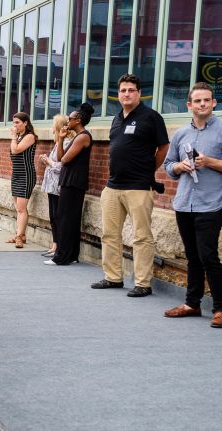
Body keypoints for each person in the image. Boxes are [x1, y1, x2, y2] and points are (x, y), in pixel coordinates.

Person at [91, 74, 170, 297]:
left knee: (141, 237)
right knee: (109, 234)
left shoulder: (151, 117)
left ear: (139, 93)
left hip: (139, 187)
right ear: (118, 94)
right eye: (123, 90)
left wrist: (148, 170)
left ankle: (143, 283)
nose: (126, 94)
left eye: (131, 90)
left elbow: (164, 147)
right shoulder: (116, 119)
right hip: (112, 187)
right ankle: (113, 277)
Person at [161, 82, 222, 328]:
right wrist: (179, 166)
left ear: (214, 103)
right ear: (189, 105)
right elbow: (168, 165)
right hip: (185, 203)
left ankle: (220, 308)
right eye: (197, 101)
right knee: (192, 256)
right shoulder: (180, 134)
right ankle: (192, 304)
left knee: (208, 255)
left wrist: (210, 162)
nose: (202, 104)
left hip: (211, 203)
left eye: (207, 100)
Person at [45, 103, 94, 266]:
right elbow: (60, 158)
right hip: (69, 180)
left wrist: (63, 150)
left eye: (70, 119)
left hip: (74, 182)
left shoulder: (83, 137)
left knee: (65, 219)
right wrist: (60, 138)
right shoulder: (76, 137)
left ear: (78, 120)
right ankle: (71, 255)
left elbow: (65, 160)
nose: (67, 121)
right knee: (69, 218)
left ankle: (61, 256)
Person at [39, 114, 75, 257]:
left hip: (58, 186)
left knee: (58, 216)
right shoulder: (58, 142)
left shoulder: (67, 143)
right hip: (51, 186)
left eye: (53, 125)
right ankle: (55, 245)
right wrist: (46, 161)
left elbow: (62, 166)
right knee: (53, 216)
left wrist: (48, 161)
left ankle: (59, 246)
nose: (52, 128)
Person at [5, 112, 37, 248]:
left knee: (21, 208)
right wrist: (15, 137)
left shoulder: (30, 136)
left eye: (17, 122)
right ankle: (21, 235)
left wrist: (13, 137)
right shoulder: (17, 137)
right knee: (18, 208)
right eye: (14, 123)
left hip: (26, 174)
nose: (15, 125)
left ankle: (19, 237)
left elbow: (16, 150)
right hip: (16, 174)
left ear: (25, 123)